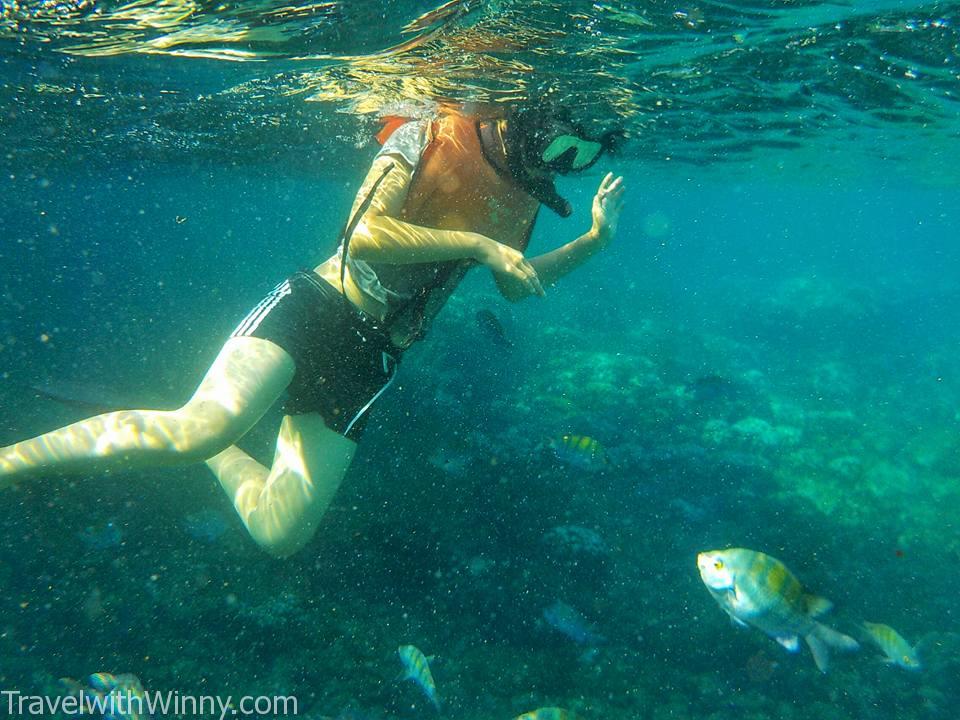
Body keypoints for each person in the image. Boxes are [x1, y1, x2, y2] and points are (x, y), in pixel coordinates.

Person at [0, 104, 626, 558]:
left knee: (280, 533)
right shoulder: (429, 131)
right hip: (319, 306)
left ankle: (219, 447)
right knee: (195, 431)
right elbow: (366, 234)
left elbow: (516, 282)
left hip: (374, 357)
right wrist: (477, 243)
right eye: (561, 149)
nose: (562, 167)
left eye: (578, 159)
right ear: (535, 119)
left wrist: (594, 241)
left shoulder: (522, 195)